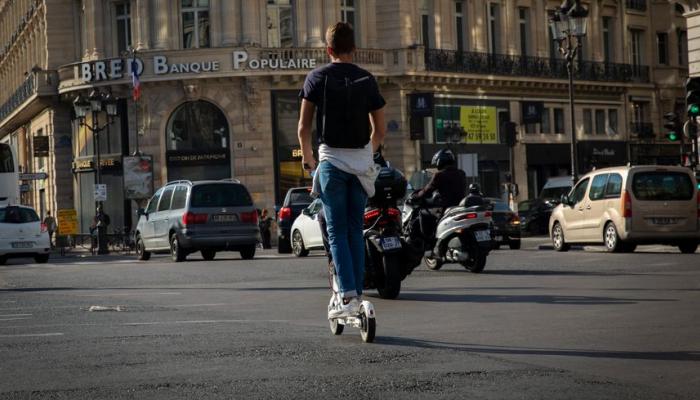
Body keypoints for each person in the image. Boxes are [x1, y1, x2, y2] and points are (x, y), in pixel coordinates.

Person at [298, 22, 386, 318]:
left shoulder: (316, 78)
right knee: (354, 231)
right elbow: (381, 130)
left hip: (331, 163)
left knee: (335, 232)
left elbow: (303, 128)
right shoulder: (367, 79)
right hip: (361, 167)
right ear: (354, 49)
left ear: (328, 50)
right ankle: (357, 291)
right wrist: (365, 154)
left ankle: (347, 295)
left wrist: (310, 160)